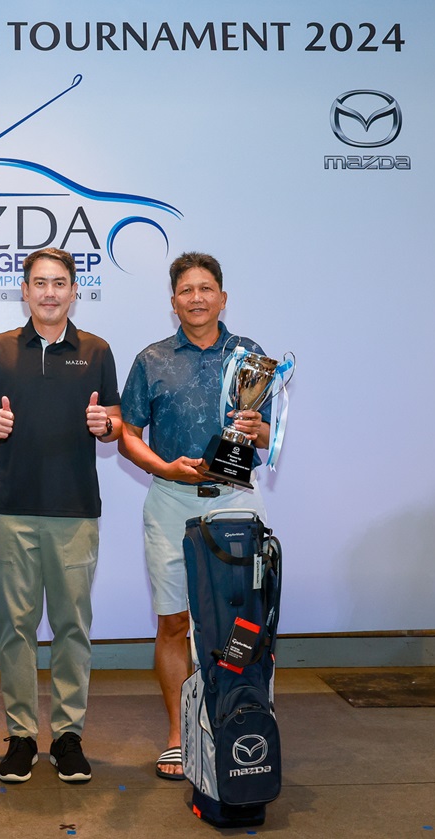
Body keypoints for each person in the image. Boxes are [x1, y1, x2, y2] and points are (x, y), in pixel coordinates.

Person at [0, 247, 121, 785]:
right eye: (40, 282)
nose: (50, 292)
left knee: (72, 626)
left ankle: (67, 736)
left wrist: (106, 425)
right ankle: (20, 737)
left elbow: (116, 422)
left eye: (59, 283)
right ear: (25, 290)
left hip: (75, 509)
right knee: (15, 626)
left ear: (74, 290)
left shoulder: (97, 350)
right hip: (12, 508)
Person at [117, 252, 271, 780]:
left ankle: (239, 720)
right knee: (174, 620)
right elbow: (128, 436)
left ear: (222, 298)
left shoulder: (250, 356)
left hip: (236, 499)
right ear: (173, 301)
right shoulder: (152, 359)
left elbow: (268, 436)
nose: (197, 298)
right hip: (171, 501)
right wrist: (164, 467)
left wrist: (257, 430)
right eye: (187, 290)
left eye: (206, 288)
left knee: (241, 620)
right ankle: (179, 734)